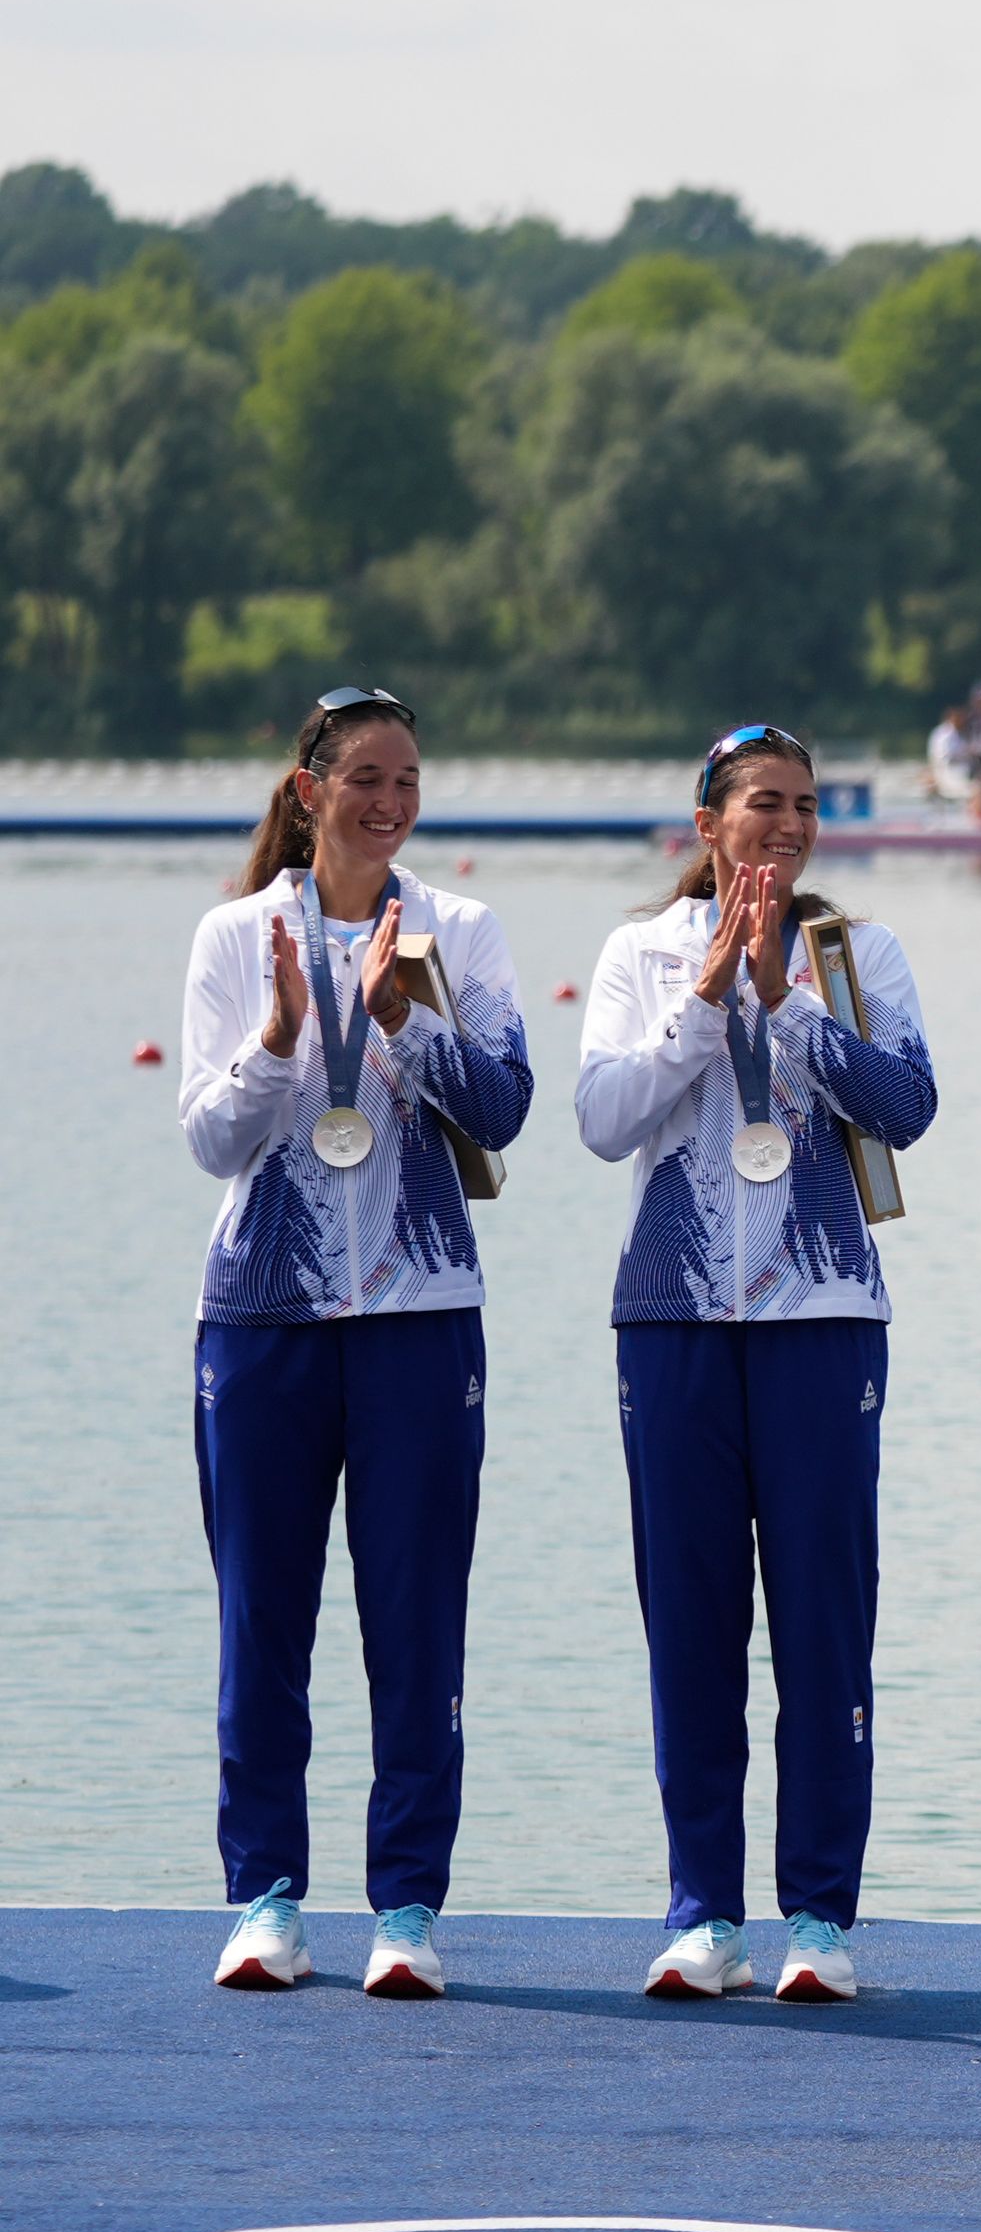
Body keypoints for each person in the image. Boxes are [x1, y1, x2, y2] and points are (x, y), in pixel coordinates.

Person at [577, 724, 939, 2005]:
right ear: (708, 823)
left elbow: (907, 1109)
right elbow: (602, 1119)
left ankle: (821, 1921)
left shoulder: (855, 953)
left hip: (823, 1317)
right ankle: (702, 1916)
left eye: (803, 806)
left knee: (825, 1630)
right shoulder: (641, 954)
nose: (785, 826)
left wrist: (784, 1000)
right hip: (671, 1320)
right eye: (761, 806)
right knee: (691, 1626)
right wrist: (706, 1000)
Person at [182, 687, 534, 2000]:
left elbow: (502, 1109)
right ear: (311, 786)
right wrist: (280, 1039)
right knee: (261, 1621)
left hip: (420, 1320)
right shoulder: (237, 935)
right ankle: (265, 1898)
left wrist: (406, 1020)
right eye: (365, 778)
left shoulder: (461, 932)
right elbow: (214, 1142)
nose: (389, 802)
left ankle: (406, 1908)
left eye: (408, 781)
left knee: (415, 1623)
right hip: (262, 1322)